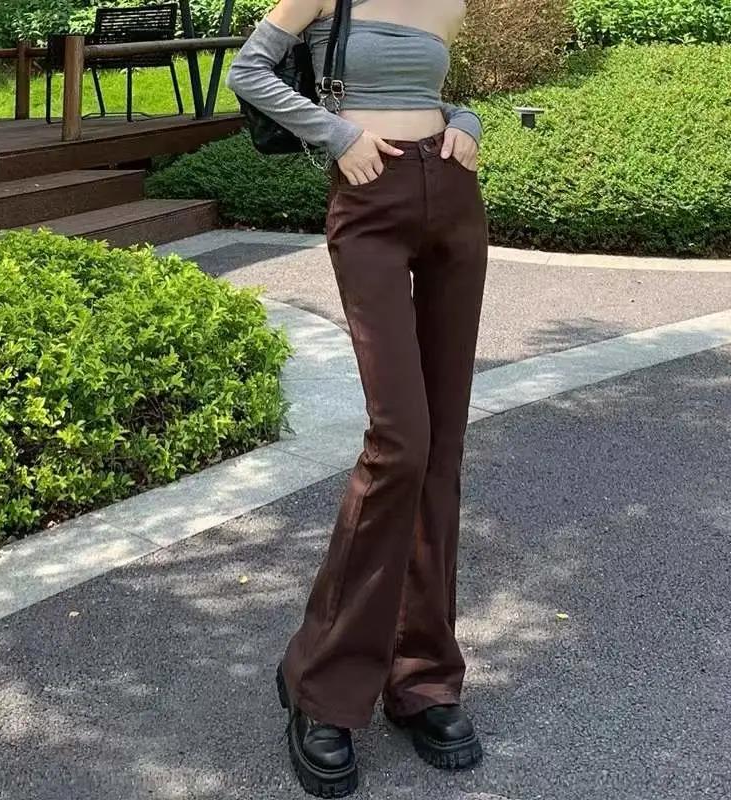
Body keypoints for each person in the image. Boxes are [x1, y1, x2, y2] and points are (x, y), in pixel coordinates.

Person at [226, 0, 488, 795]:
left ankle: (423, 676)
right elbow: (249, 70)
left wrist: (466, 120)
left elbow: (433, 91)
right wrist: (338, 135)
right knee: (400, 442)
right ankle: (322, 682)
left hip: (454, 199)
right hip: (369, 203)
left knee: (441, 450)